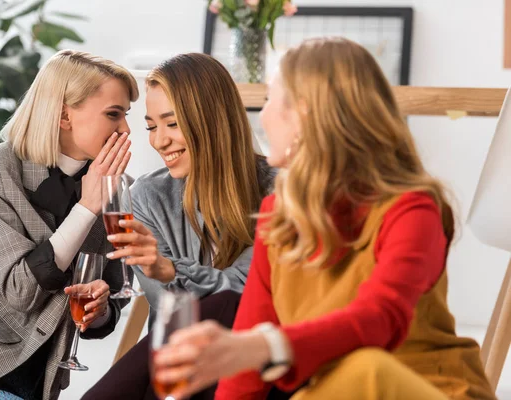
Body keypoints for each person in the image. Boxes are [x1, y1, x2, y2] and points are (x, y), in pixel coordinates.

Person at [152, 38, 497, 400]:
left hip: (429, 389)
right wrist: (251, 350)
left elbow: (379, 318)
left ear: (305, 114)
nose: (263, 116)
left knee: (367, 368)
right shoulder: (278, 216)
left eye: (270, 99)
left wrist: (261, 347)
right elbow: (246, 374)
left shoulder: (412, 209)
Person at [0, 50, 139, 400]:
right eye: (114, 114)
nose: (124, 129)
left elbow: (113, 301)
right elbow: (20, 289)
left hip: (20, 372)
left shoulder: (119, 190)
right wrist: (87, 206)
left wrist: (99, 310)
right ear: (64, 115)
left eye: (126, 116)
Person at [81, 53, 282, 400]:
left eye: (172, 124)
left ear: (213, 119)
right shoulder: (147, 197)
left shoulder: (278, 190)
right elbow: (173, 313)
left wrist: (170, 268)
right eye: (151, 126)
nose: (159, 141)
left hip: (256, 356)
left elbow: (244, 298)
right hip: (179, 360)